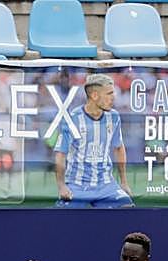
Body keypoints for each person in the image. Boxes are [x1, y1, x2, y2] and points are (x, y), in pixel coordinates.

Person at [54, 73, 134, 209]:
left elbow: (119, 148)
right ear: (95, 95)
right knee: (64, 219)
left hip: (106, 184)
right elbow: (61, 154)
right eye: (109, 93)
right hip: (77, 185)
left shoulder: (113, 117)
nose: (114, 97)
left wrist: (124, 182)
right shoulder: (73, 118)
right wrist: (62, 186)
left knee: (127, 209)